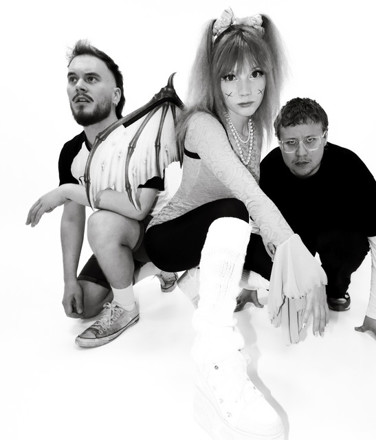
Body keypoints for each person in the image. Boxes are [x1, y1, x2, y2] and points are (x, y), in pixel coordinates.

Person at [143, 9, 327, 440]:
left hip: (221, 229)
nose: (245, 89)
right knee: (238, 211)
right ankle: (214, 355)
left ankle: (206, 283)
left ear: (268, 76)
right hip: (170, 237)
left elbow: (252, 199)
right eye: (230, 76)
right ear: (214, 79)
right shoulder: (202, 124)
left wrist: (292, 259)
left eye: (255, 73)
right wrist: (289, 244)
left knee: (281, 259)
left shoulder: (253, 128)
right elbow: (245, 193)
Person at [26, 40, 178, 348]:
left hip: (163, 233)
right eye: (73, 79)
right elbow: (72, 218)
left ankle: (127, 307)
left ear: (116, 94)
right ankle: (149, 270)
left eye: (91, 78)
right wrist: (69, 279)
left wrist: (67, 190)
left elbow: (138, 209)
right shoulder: (71, 151)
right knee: (84, 305)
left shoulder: (141, 136)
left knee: (101, 223)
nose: (79, 86)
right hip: (122, 237)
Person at [253, 97, 376, 351]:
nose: (301, 152)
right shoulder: (270, 167)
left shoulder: (350, 166)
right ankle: (293, 287)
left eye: (310, 140)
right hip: (292, 239)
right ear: (280, 142)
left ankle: (335, 288)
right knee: (255, 242)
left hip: (335, 236)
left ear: (325, 137)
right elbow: (254, 227)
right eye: (290, 143)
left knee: (349, 242)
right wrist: (252, 283)